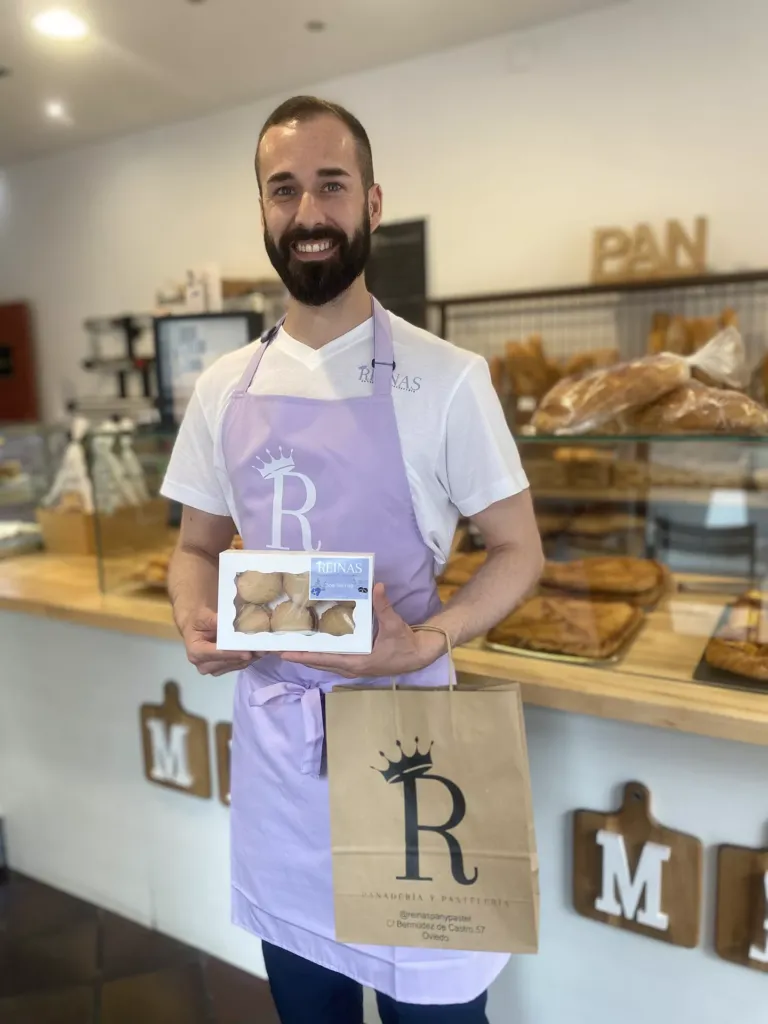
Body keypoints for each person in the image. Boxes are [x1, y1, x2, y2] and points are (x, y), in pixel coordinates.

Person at [161, 95, 543, 1024]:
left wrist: (428, 640)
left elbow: (519, 550)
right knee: (309, 1008)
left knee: (437, 1010)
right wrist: (193, 616)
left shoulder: (445, 379)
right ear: (263, 214)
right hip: (282, 763)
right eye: (283, 190)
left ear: (371, 204)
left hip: (417, 756)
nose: (308, 214)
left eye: (331, 186)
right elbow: (195, 548)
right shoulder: (223, 389)